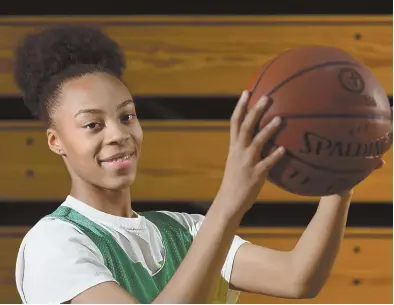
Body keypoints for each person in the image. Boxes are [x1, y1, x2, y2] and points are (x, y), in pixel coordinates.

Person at [14, 25, 355, 304]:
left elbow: (298, 278)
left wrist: (341, 177)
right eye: (93, 125)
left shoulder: (185, 231)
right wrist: (228, 204)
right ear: (55, 141)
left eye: (127, 116)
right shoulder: (53, 243)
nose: (119, 134)